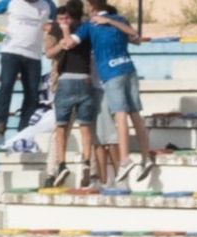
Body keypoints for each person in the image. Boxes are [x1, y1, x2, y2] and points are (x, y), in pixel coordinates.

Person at [63, 0, 153, 185]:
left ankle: (125, 159)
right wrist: (112, 22)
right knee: (135, 114)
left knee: (120, 114)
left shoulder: (90, 25)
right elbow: (136, 38)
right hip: (129, 69)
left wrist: (64, 28)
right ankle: (146, 157)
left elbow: (68, 44)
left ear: (92, 7)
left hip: (111, 72)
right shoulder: (119, 19)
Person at [42, 0, 95, 188]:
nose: (63, 21)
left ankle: (58, 169)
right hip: (76, 80)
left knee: (62, 128)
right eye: (60, 18)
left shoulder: (75, 28)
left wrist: (64, 38)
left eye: (65, 17)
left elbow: (56, 49)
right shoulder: (61, 29)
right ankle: (57, 170)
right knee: (81, 128)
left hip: (67, 81)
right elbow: (49, 52)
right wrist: (61, 44)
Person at [0, 0, 54, 146]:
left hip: (34, 56)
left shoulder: (48, 4)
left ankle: (23, 131)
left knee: (32, 94)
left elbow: (60, 21)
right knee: (6, 86)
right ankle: (0, 126)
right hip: (11, 51)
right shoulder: (11, 1)